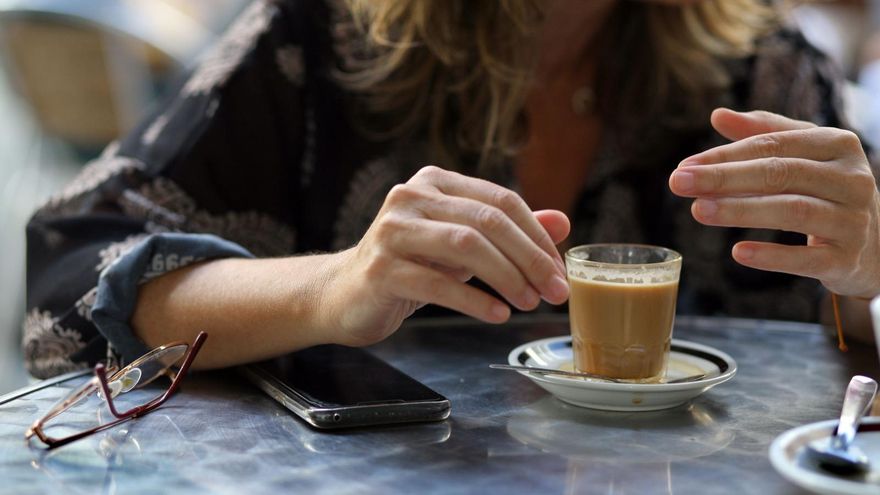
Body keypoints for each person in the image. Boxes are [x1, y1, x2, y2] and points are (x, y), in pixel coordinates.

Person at [23, 0, 880, 378]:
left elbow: (837, 362)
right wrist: (334, 286)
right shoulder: (318, 40)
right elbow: (69, 289)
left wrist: (874, 276)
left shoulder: (764, 66)